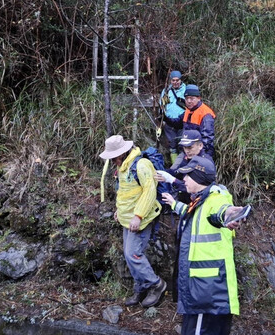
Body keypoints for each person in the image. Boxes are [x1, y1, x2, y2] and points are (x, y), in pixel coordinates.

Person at [162, 156, 243, 335]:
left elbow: (221, 212)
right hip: (205, 291)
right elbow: (192, 216)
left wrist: (229, 215)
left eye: (187, 176)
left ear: (199, 178)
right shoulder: (201, 201)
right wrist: (174, 204)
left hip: (208, 293)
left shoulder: (216, 199)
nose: (184, 180)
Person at [99, 135, 167, 307]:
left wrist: (138, 216)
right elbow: (125, 192)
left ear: (122, 153)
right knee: (129, 257)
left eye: (114, 157)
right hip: (127, 219)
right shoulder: (123, 166)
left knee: (133, 254)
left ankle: (157, 284)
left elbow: (149, 192)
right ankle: (141, 287)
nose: (112, 160)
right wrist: (119, 211)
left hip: (140, 220)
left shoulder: (141, 165)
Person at [155, 129, 212, 204]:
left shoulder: (204, 163)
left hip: (201, 202)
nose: (187, 151)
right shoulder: (188, 157)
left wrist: (172, 180)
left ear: (200, 145)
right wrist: (160, 172)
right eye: (184, 148)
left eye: (190, 147)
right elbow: (177, 171)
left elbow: (194, 187)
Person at [182, 84, 216, 158]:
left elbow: (207, 139)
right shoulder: (188, 110)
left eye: (192, 98)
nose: (189, 101)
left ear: (199, 98)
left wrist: (199, 155)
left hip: (202, 152)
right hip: (189, 150)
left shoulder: (206, 114)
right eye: (187, 98)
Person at [160, 70, 187, 163]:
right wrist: (163, 120)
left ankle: (183, 165)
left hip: (182, 122)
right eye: (173, 80)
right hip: (169, 123)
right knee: (172, 146)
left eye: (177, 80)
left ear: (181, 80)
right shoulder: (166, 91)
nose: (175, 82)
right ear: (170, 81)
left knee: (182, 145)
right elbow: (162, 106)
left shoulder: (186, 90)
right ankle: (175, 167)